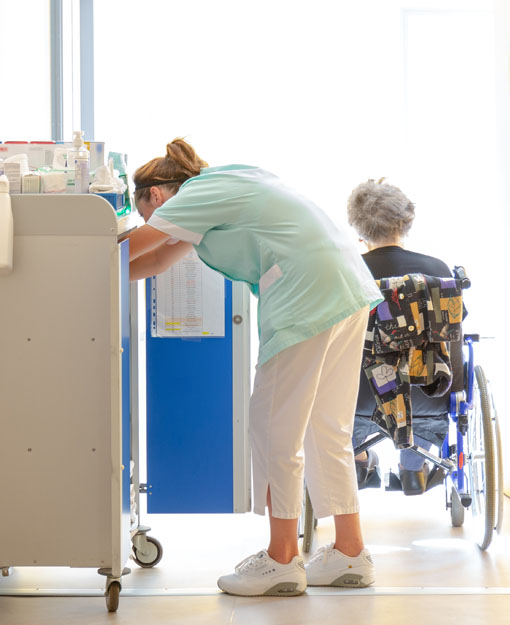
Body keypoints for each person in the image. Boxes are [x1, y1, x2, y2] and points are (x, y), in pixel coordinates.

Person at [127, 139, 382, 597]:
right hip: (345, 287)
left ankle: (282, 558)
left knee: (273, 429)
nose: (153, 222)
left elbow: (138, 247)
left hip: (307, 295)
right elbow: (159, 258)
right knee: (326, 428)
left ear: (158, 196)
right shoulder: (228, 184)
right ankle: (350, 552)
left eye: (147, 212)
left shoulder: (196, 195)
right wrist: (109, 269)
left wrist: (79, 259)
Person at [346, 178, 462, 496]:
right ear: (406, 221)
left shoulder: (345, 271)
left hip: (357, 396)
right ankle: (413, 470)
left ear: (358, 227)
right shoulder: (436, 270)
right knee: (420, 374)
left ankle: (357, 459)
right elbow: (454, 329)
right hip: (428, 391)